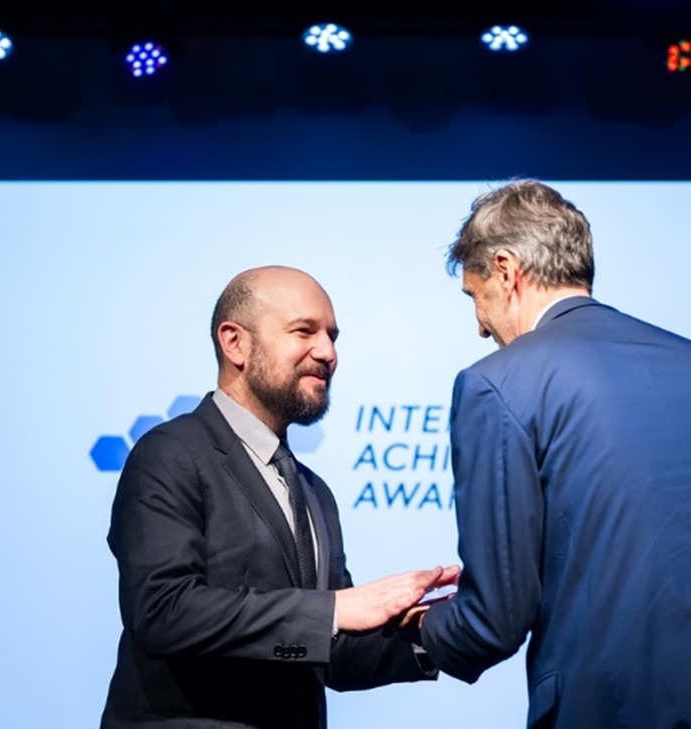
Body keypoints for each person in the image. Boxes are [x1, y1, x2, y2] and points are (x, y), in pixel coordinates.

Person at [412, 179, 691, 727]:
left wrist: (415, 631)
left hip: (622, 705)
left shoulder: (496, 384)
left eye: (476, 298)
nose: (479, 327)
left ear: (507, 269)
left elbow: (494, 620)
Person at [100, 265, 457, 728]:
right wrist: (335, 609)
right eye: (304, 331)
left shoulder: (314, 491)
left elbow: (327, 649)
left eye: (332, 336)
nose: (327, 352)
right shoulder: (170, 453)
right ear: (235, 343)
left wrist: (440, 632)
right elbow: (164, 610)